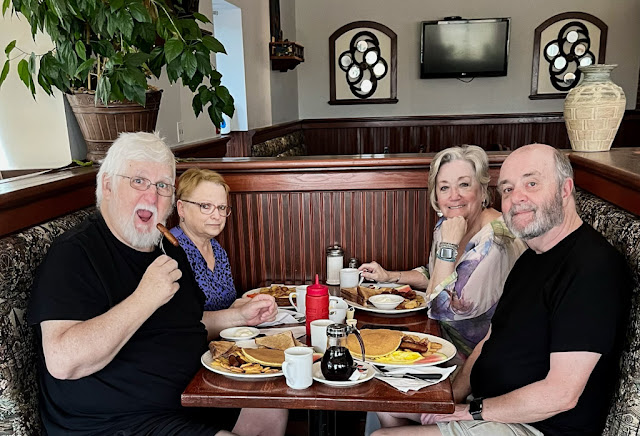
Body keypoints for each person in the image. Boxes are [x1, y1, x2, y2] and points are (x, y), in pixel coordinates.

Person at [28, 132, 286, 436]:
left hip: (192, 396)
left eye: (163, 186)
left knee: (274, 401)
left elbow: (188, 323)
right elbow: (63, 361)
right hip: (116, 421)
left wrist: (239, 316)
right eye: (139, 181)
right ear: (108, 185)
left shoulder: (168, 248)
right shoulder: (75, 253)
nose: (152, 197)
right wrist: (145, 297)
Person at [374, 144, 631, 436]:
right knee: (386, 402)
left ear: (565, 189)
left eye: (531, 184)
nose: (516, 198)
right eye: (508, 189)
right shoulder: (532, 257)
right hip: (491, 404)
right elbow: (490, 339)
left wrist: (469, 411)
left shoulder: (592, 268)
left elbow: (561, 394)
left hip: (539, 426)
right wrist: (450, 398)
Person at [359, 145, 526, 358]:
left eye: (464, 184)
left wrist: (448, 245)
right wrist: (389, 276)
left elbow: (441, 308)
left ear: (483, 190)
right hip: (446, 346)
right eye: (444, 187)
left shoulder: (496, 240)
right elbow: (437, 275)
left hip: (485, 360)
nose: (454, 196)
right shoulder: (449, 225)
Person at [170, 168, 237, 311]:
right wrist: (239, 314)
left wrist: (250, 304)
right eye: (206, 206)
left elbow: (226, 306)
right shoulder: (171, 251)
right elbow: (183, 319)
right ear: (181, 209)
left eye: (221, 207)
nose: (217, 216)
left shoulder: (217, 249)